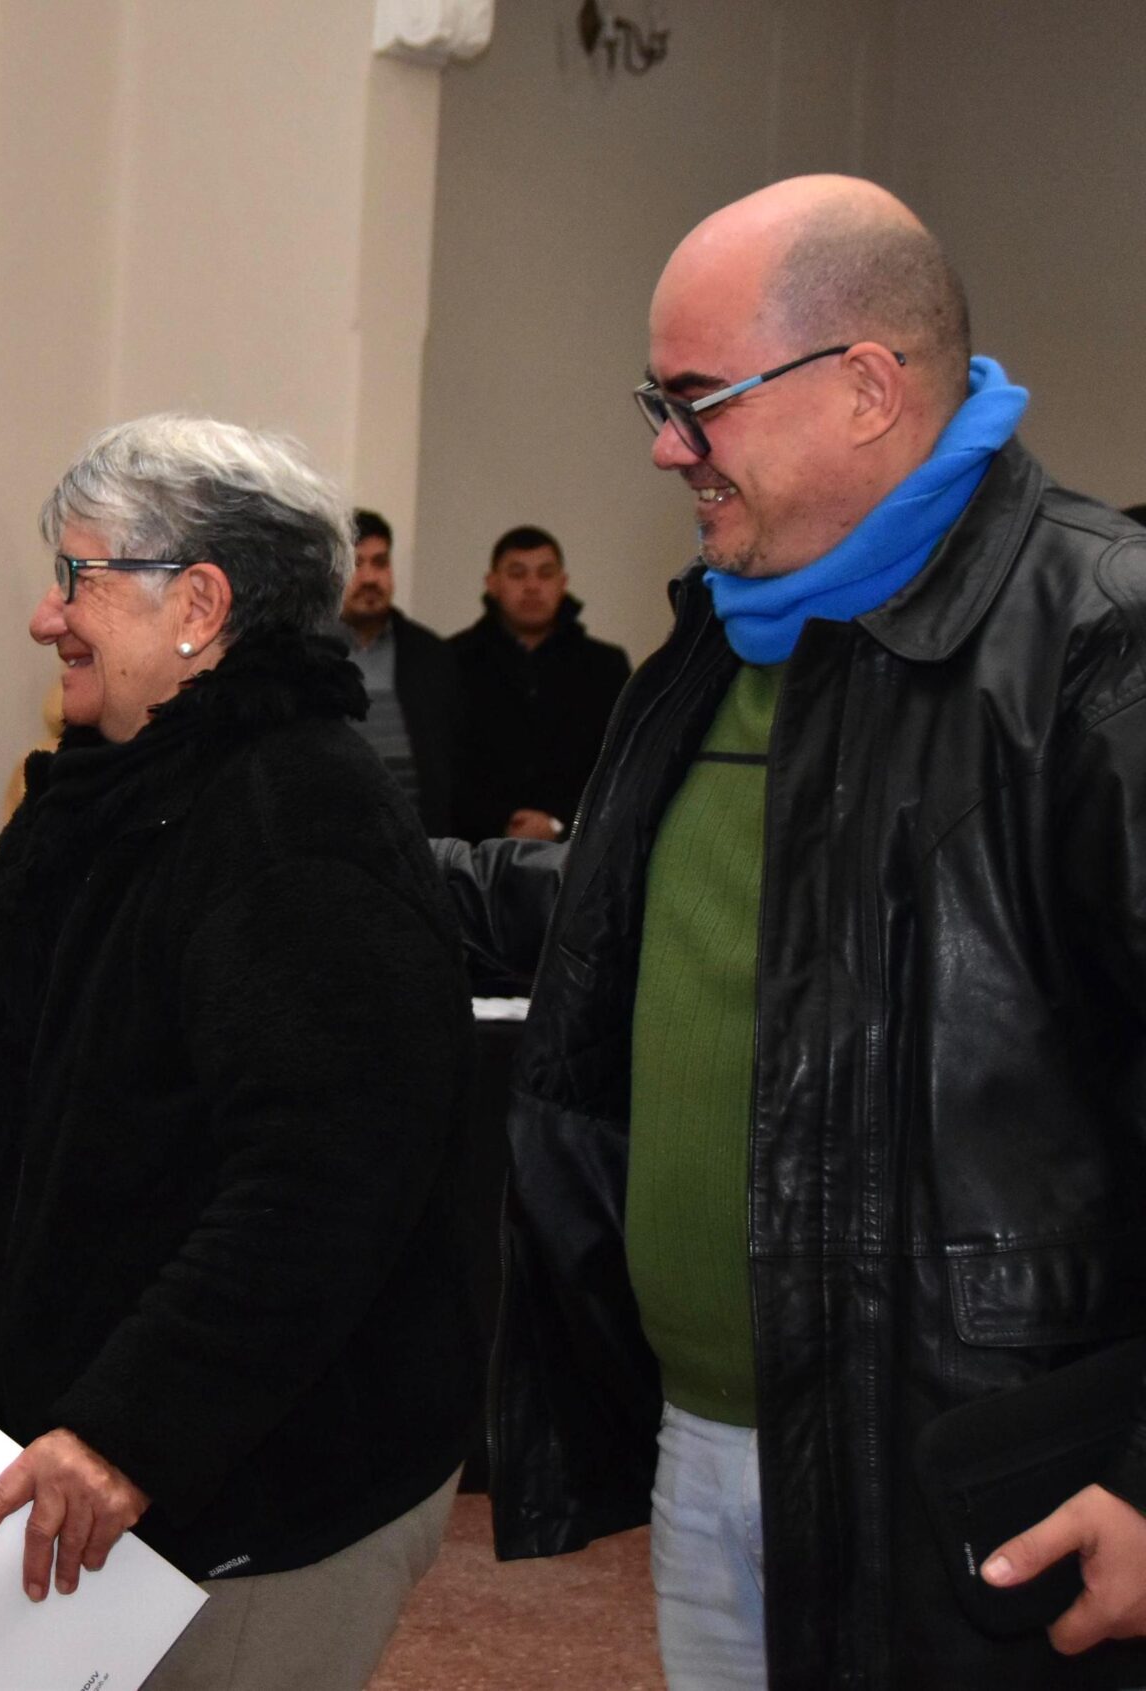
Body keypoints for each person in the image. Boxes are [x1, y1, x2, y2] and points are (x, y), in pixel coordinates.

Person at [445, 175, 1146, 1690]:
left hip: (991, 1477)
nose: (661, 445)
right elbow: (635, 909)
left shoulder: (1102, 643)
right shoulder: (726, 643)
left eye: (697, 399)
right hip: (716, 1453)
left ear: (870, 387)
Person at [0, 415, 478, 1691]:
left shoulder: (297, 827)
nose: (43, 616)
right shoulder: (120, 787)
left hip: (264, 1492)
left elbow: (316, 1194)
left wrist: (128, 1431)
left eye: (75, 577)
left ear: (200, 604)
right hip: (147, 1453)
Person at [447, 524, 631, 840]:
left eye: (545, 574)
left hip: (579, 854)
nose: (532, 586)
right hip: (473, 854)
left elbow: (621, 765)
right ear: (492, 583)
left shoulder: (605, 666)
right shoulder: (451, 661)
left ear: (563, 583)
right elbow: (442, 764)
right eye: (517, 574)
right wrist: (501, 823)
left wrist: (559, 823)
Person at [339, 507, 466, 833]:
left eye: (380, 563)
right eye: (356, 564)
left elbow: (451, 762)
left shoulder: (431, 655)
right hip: (334, 840)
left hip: (420, 846)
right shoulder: (304, 653)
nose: (369, 578)